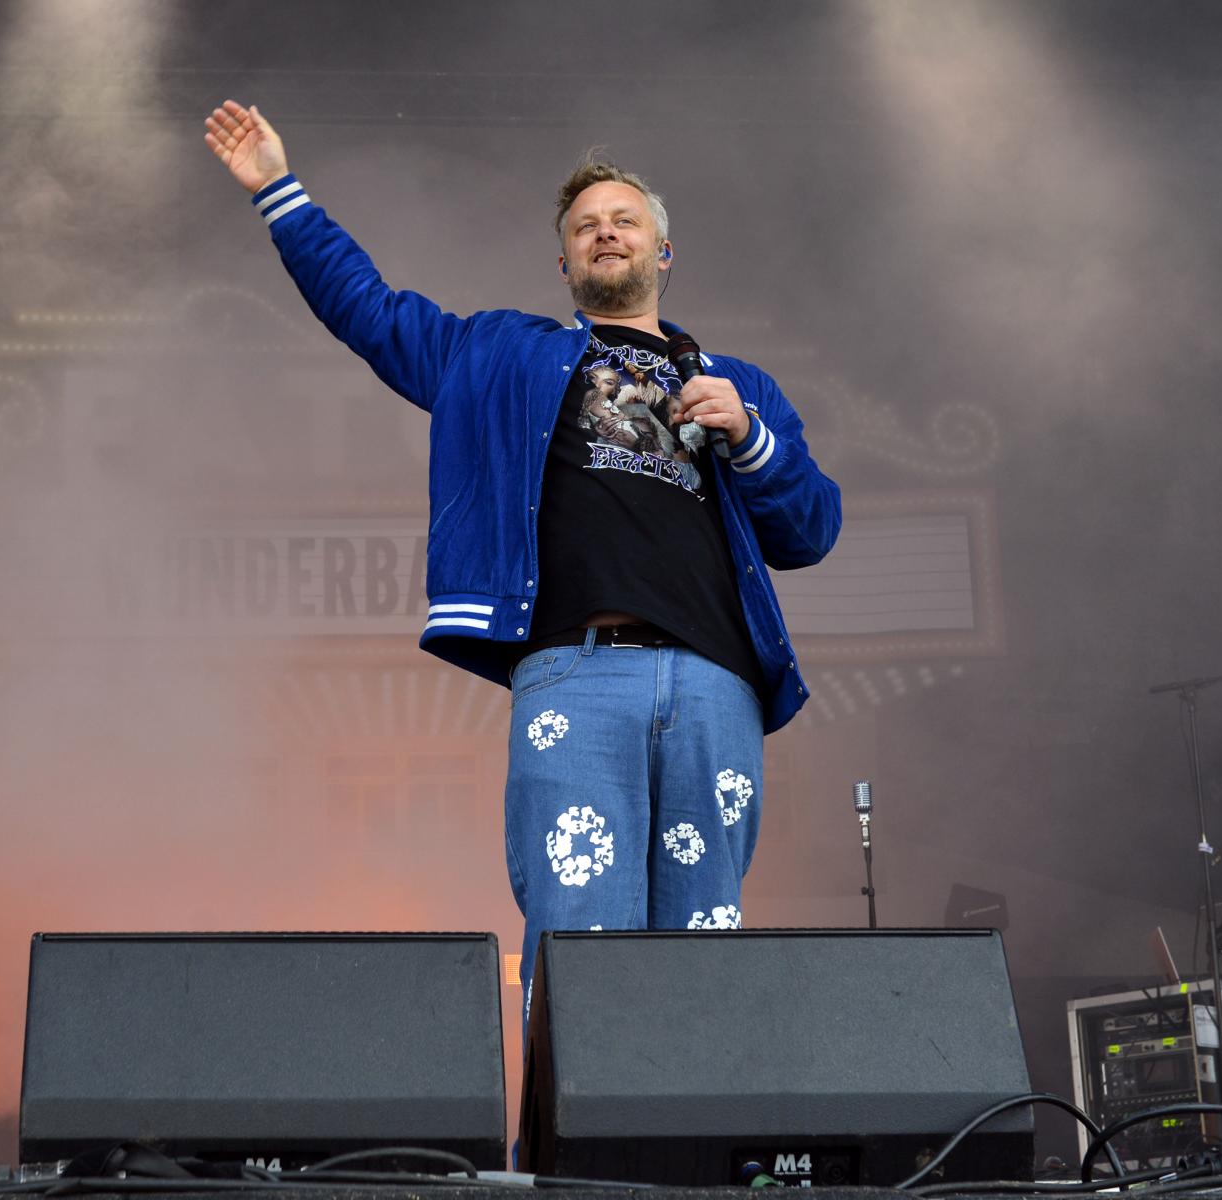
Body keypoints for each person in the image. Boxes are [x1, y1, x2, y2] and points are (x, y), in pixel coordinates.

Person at [203, 101, 842, 1002]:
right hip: (576, 673)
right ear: (564, 264)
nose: (604, 232)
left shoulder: (740, 385)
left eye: (624, 221)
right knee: (576, 933)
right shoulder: (499, 354)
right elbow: (369, 312)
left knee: (704, 945)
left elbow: (810, 531)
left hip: (713, 685)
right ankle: (574, 1103)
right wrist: (278, 188)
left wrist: (750, 437)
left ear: (662, 253)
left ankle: (692, 1099)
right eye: (585, 226)